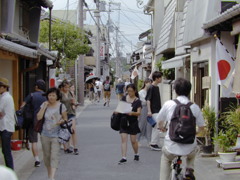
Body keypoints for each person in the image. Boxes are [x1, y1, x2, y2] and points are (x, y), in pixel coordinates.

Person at [156, 78, 205, 180]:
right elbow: (201, 127)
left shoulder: (168, 104)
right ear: (189, 91)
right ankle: (189, 170)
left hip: (171, 147)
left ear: (175, 90)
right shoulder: (194, 107)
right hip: (189, 147)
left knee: (165, 158)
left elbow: (159, 120)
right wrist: (193, 133)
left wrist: (162, 128)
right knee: (194, 152)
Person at [37, 87, 68, 180]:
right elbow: (38, 117)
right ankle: (49, 175)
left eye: (53, 95)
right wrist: (44, 107)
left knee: (54, 155)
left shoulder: (61, 106)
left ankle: (52, 177)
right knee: (47, 156)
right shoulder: (44, 105)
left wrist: (61, 121)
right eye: (49, 95)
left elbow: (65, 118)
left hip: (56, 134)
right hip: (44, 134)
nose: (51, 97)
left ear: (57, 96)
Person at [21, 79, 46, 167]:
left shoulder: (31, 95)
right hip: (44, 120)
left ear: (36, 87)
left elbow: (22, 106)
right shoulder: (46, 96)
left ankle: (37, 160)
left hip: (33, 121)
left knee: (34, 141)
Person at [117, 84, 142, 164]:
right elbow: (119, 108)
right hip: (123, 121)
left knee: (133, 141)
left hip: (133, 122)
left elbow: (139, 113)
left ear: (135, 91)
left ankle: (136, 153)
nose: (129, 93)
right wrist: (117, 111)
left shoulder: (138, 101)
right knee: (124, 139)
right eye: (128, 91)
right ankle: (124, 157)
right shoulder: (124, 98)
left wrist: (132, 113)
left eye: (131, 91)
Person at [60, 81, 79, 155]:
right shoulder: (60, 94)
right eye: (65, 87)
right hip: (64, 114)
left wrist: (74, 104)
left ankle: (75, 148)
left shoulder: (70, 93)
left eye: (68, 87)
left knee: (73, 130)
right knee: (65, 131)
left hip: (72, 113)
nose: (67, 88)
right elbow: (58, 103)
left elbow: (74, 102)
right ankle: (66, 148)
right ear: (62, 87)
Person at [0, 77, 15, 170]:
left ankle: (10, 170)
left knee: (6, 151)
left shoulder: (5, 97)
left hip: (5, 127)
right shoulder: (6, 97)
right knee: (6, 151)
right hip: (6, 126)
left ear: (5, 87)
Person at [146, 71, 162, 151]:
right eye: (160, 77)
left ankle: (155, 142)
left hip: (157, 109)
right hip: (153, 110)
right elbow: (148, 100)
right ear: (156, 78)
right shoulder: (151, 88)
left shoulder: (157, 87)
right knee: (156, 126)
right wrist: (149, 111)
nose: (161, 79)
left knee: (157, 126)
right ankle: (153, 143)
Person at [137, 78, 152, 144]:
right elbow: (144, 101)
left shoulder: (150, 91)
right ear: (146, 83)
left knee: (149, 125)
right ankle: (137, 139)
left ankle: (149, 141)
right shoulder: (141, 92)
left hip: (149, 109)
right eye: (149, 83)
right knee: (141, 124)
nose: (150, 84)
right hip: (143, 109)